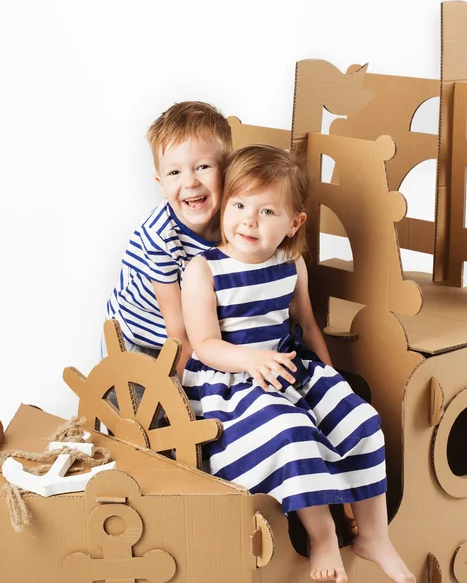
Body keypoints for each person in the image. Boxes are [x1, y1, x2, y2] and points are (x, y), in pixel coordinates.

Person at [181, 145, 415, 583]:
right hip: (229, 384)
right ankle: (322, 534)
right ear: (224, 205)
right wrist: (251, 359)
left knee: (360, 418)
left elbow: (306, 325)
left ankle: (374, 534)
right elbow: (206, 343)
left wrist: (332, 378)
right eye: (239, 205)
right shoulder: (204, 270)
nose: (249, 220)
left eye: (268, 211)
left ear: (294, 223)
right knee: (291, 431)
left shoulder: (290, 263)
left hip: (287, 370)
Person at [105, 101, 232, 379]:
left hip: (198, 332)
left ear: (227, 170)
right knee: (147, 409)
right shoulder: (159, 236)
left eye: (202, 167)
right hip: (137, 337)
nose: (190, 182)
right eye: (175, 172)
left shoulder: (237, 220)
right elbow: (178, 333)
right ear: (160, 182)